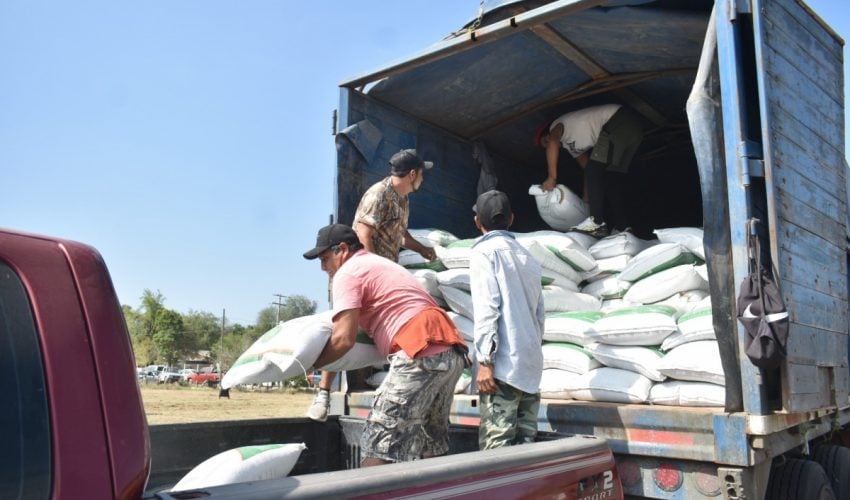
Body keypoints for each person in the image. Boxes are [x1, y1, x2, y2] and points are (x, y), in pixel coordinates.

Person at [303, 223, 467, 466]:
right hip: (451, 352)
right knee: (430, 445)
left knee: (378, 448)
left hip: (420, 352)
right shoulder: (379, 264)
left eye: (325, 258)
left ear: (343, 249)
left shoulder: (347, 274)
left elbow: (343, 339)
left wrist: (310, 363)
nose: (323, 267)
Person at [306, 149, 438, 422]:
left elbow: (401, 234)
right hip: (359, 276)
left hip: (381, 278)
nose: (423, 179)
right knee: (342, 330)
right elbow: (364, 233)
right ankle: (323, 391)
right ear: (412, 174)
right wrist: (370, 273)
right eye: (422, 173)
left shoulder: (403, 200)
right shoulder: (378, 194)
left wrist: (422, 249)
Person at [469, 190, 546, 450]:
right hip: (530, 369)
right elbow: (539, 316)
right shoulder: (530, 259)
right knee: (525, 455)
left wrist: (485, 361)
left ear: (477, 222)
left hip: (502, 371)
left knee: (497, 458)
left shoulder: (484, 253)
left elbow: (487, 309)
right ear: (512, 219)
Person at [534, 104, 645, 238]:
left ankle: (597, 223)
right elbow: (588, 170)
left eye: (545, 140)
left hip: (619, 120)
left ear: (549, 132)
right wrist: (586, 200)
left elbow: (553, 140)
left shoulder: (557, 125)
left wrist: (552, 177)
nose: (548, 144)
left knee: (596, 170)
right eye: (544, 145)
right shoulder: (571, 147)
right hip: (634, 130)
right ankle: (623, 226)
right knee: (610, 178)